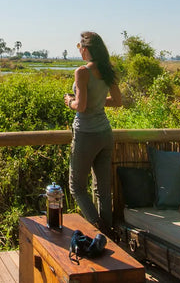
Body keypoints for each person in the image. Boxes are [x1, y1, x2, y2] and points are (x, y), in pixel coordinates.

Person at [63, 31, 122, 232]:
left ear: (85, 49)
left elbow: (80, 106)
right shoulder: (107, 71)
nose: (79, 52)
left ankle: (98, 228)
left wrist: (69, 101)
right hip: (105, 134)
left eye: (79, 48)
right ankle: (109, 233)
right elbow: (118, 101)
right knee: (103, 191)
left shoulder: (82, 72)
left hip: (86, 134)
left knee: (76, 188)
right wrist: (95, 101)